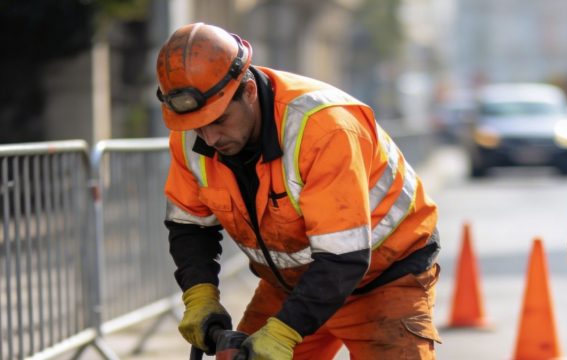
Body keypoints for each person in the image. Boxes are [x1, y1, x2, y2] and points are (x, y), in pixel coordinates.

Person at [156, 23, 441, 360]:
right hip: (291, 288)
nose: (210, 138)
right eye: (197, 125)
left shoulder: (324, 129)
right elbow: (189, 226)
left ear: (247, 90)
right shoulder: (193, 135)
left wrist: (283, 332)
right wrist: (200, 295)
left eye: (219, 120)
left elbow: (343, 256)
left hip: (384, 281)